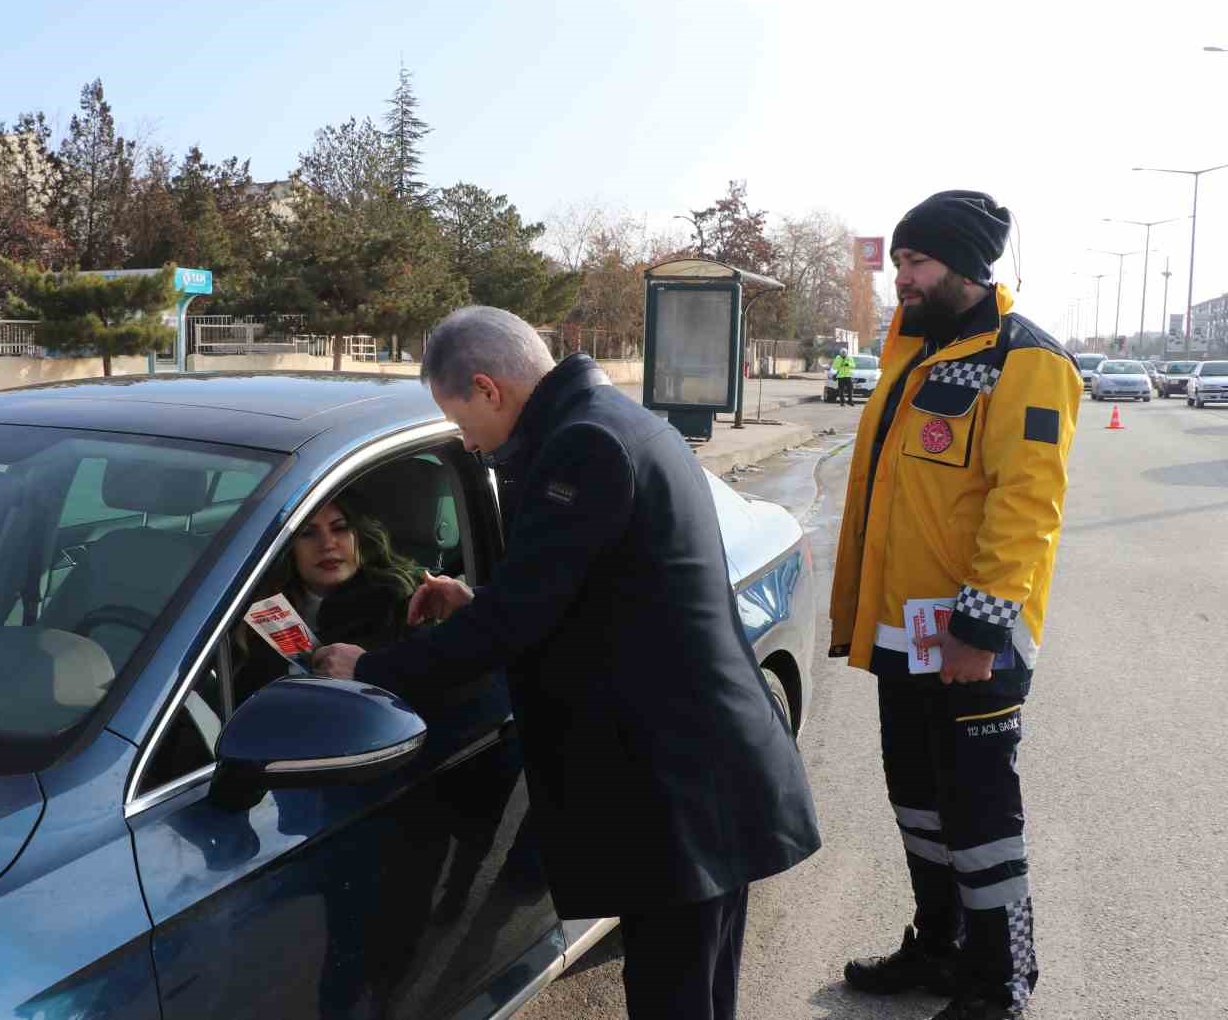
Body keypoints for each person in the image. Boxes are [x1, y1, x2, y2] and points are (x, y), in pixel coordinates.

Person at [313, 306, 821, 1020]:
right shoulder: (606, 418)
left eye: (460, 419)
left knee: (678, 999)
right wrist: (478, 598)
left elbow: (517, 623)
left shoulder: (582, 445)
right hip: (695, 772)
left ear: (488, 388)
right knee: (697, 995)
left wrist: (372, 670)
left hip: (677, 790)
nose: (466, 439)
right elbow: (579, 586)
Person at [829, 191, 1081, 1020]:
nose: (903, 276)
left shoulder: (1026, 360)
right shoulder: (911, 351)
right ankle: (939, 947)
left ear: (967, 266)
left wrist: (979, 629)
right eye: (899, 260)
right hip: (905, 635)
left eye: (918, 261)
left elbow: (1025, 509)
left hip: (977, 642)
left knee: (981, 822)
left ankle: (999, 984)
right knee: (917, 803)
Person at [234, 490, 422, 697]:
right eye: (308, 533)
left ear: (359, 536)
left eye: (339, 528)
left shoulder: (402, 603)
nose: (327, 544)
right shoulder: (253, 605)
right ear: (287, 547)